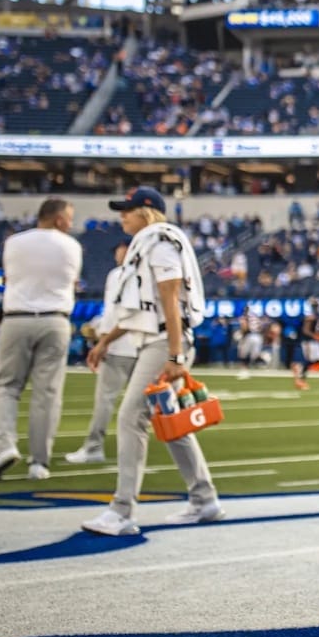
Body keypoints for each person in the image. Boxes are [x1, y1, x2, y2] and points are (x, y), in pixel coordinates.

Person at [81, 187, 225, 535]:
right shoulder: (148, 245)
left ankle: (122, 511)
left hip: (163, 344)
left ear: (146, 212)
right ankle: (204, 500)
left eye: (127, 211)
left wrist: (175, 355)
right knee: (171, 421)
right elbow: (145, 311)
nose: (122, 217)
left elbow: (170, 302)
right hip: (158, 340)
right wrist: (105, 341)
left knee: (132, 417)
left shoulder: (158, 244)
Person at [0, 197, 81, 482]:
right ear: (59, 219)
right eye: (69, 218)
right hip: (55, 319)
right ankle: (39, 462)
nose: (70, 224)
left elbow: (8, 278)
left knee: (6, 387)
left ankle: (4, 446)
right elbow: (72, 281)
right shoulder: (72, 246)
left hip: (17, 317)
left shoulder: (14, 243)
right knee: (46, 394)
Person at [67, 243, 137, 466]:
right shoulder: (148, 273)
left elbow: (116, 313)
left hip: (119, 346)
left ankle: (93, 446)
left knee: (106, 400)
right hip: (143, 346)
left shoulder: (119, 275)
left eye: (122, 248)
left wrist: (102, 340)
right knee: (146, 403)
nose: (118, 253)